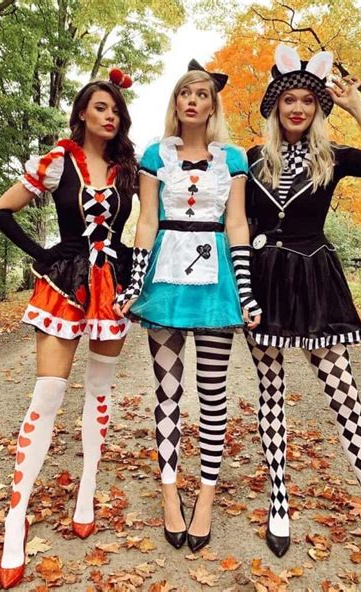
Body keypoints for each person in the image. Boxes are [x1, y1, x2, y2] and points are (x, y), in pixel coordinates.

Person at [245, 44, 361, 584]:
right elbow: (236, 227)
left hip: (316, 283)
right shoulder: (250, 161)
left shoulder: (333, 156)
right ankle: (279, 498)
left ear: (319, 108)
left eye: (308, 100)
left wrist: (358, 106)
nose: (298, 107)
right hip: (267, 283)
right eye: (289, 99)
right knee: (269, 394)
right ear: (275, 106)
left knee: (345, 398)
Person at [0, 68, 136, 589]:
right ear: (81, 113)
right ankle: (16, 514)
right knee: (48, 394)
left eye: (116, 109)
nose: (109, 115)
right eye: (100, 107)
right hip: (63, 285)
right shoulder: (56, 161)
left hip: (111, 288)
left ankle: (87, 488)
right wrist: (45, 254)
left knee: (98, 392)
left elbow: (152, 222)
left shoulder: (128, 171)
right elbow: (2, 212)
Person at [114, 59, 261, 552]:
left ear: (212, 104)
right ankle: (170, 493)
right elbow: (146, 221)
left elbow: (237, 225)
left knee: (214, 397)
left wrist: (246, 290)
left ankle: (206, 498)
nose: (193, 100)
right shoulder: (156, 156)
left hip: (216, 283)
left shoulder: (233, 159)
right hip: (165, 282)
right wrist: (135, 282)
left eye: (201, 94)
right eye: (184, 94)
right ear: (175, 104)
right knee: (168, 393)